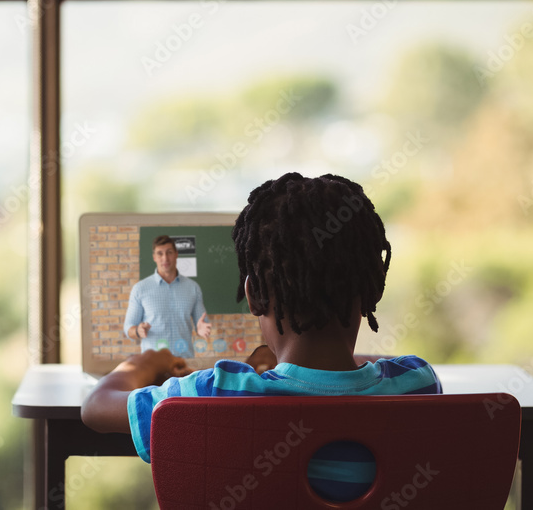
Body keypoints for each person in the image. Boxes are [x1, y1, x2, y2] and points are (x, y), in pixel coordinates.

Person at [82, 173, 441, 503]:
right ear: (374, 285)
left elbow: (96, 407)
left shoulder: (214, 391)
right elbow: (365, 369)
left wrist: (145, 362)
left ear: (252, 295)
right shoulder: (418, 384)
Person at [123, 234, 212, 358]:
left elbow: (202, 322)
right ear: (154, 257)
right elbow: (128, 328)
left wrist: (201, 328)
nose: (165, 258)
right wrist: (138, 331)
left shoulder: (193, 288)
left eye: (169, 252)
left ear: (176, 254)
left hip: (184, 362)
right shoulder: (140, 289)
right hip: (153, 364)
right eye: (160, 253)